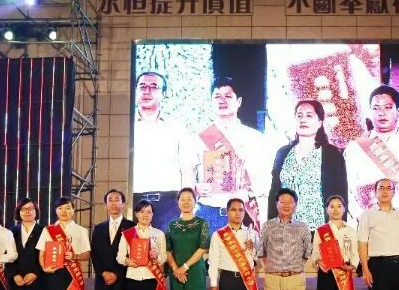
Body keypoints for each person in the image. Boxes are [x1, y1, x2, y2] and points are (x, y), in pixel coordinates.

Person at [181, 76, 272, 228]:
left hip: (243, 213)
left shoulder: (255, 138)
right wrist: (195, 188)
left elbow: (264, 179)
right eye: (217, 96)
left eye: (228, 96)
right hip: (207, 214)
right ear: (211, 101)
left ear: (239, 101)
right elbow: (187, 175)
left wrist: (248, 193)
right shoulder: (197, 139)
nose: (222, 101)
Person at [268, 100, 348, 229]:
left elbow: (340, 196)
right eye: (299, 115)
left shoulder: (332, 155)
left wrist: (339, 228)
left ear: (319, 123)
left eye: (309, 115)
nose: (303, 120)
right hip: (285, 229)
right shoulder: (283, 153)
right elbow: (274, 194)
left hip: (321, 231)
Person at [132, 71, 187, 227]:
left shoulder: (177, 127)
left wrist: (186, 207)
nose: (147, 91)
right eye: (142, 86)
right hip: (134, 200)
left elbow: (186, 170)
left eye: (153, 87)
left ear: (164, 94)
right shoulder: (127, 127)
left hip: (169, 204)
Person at [344, 86, 399, 220]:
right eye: (376, 108)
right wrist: (361, 217)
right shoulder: (355, 147)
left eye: (388, 107)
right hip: (367, 219)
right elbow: (348, 188)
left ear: (398, 111)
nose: (381, 113)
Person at [309, 195, 359, 290]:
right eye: (331, 206)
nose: (335, 209)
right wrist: (318, 261)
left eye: (339, 206)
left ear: (344, 209)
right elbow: (315, 253)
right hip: (327, 275)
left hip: (345, 274)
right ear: (327, 209)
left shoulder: (351, 231)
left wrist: (353, 265)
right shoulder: (321, 231)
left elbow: (355, 253)